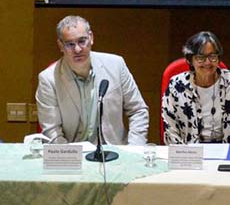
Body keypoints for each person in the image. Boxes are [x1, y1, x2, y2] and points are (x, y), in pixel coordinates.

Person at [36, 15, 149, 145]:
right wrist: (69, 158)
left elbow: (138, 110)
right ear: (60, 46)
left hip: (114, 152)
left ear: (91, 38)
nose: (77, 49)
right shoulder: (48, 79)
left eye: (82, 41)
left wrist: (134, 149)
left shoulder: (116, 65)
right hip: (73, 154)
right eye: (70, 44)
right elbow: (52, 131)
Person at [162, 31, 230, 144]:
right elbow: (171, 131)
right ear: (190, 60)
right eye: (201, 57)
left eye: (212, 56)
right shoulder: (176, 85)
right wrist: (186, 157)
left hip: (225, 151)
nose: (207, 62)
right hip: (188, 153)